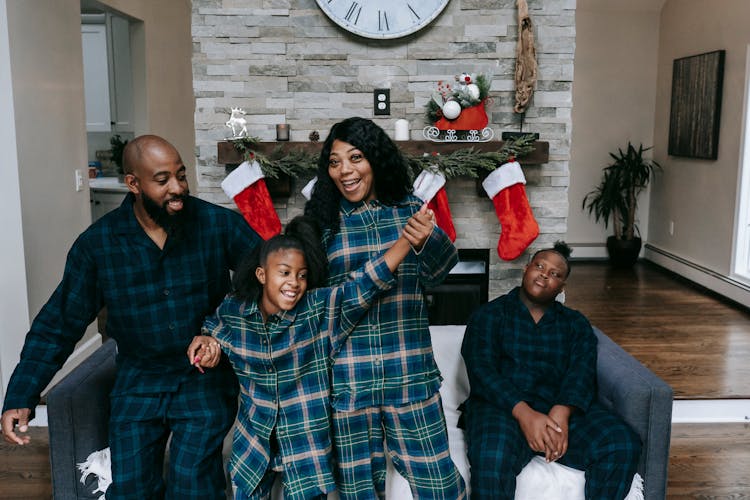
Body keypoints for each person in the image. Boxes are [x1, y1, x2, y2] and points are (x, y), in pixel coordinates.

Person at [1, 135, 262, 499]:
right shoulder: (98, 245)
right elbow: (59, 324)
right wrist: (21, 393)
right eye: (162, 180)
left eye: (181, 175)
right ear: (133, 184)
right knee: (131, 489)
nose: (177, 188)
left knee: (193, 482)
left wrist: (224, 333)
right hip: (138, 380)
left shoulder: (217, 224)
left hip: (203, 378)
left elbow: (269, 279)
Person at [187, 212, 431, 499]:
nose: (294, 283)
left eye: (302, 275)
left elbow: (366, 283)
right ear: (261, 274)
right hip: (254, 445)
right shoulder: (234, 310)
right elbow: (212, 328)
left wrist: (406, 240)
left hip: (307, 450)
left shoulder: (318, 309)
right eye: (285, 272)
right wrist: (206, 342)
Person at [304, 117, 466, 499]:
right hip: (349, 384)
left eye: (355, 157)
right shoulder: (322, 225)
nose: (345, 170)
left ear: (375, 159)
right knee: (358, 493)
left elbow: (440, 272)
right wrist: (394, 255)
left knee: (442, 488)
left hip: (409, 376)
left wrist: (429, 240)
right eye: (334, 161)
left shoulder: (410, 208)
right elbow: (328, 309)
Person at [460, 241, 642, 499]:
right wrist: (525, 415)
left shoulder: (575, 323)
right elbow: (482, 372)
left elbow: (582, 372)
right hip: (503, 410)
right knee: (493, 456)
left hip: (559, 412)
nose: (545, 274)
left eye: (555, 274)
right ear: (526, 269)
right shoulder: (489, 315)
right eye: (540, 266)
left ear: (562, 287)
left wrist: (561, 414)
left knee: (621, 443)